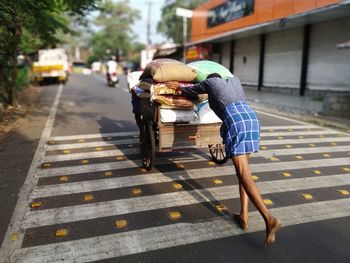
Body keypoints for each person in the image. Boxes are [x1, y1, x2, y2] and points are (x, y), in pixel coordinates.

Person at [167, 73, 281, 246]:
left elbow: (190, 91)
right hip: (251, 119)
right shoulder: (234, 80)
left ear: (212, 79)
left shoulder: (210, 82)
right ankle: (244, 215)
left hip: (236, 122)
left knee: (244, 174)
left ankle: (270, 218)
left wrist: (177, 86)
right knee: (243, 173)